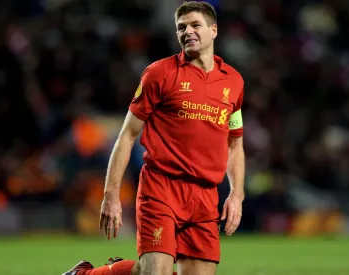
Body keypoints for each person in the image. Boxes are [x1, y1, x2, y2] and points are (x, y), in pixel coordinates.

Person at [62, 1, 245, 274]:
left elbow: (235, 143)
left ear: (213, 30)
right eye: (181, 27)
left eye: (195, 25)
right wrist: (111, 195)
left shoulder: (233, 82)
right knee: (154, 271)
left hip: (205, 196)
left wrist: (237, 194)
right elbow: (127, 136)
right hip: (162, 188)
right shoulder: (160, 74)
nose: (187, 32)